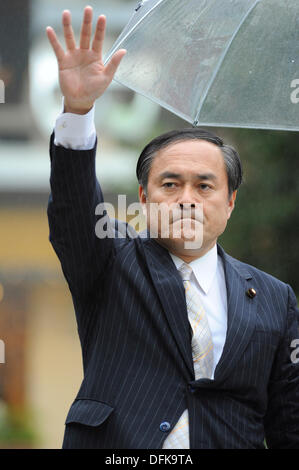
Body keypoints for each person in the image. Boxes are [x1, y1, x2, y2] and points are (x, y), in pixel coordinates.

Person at [46, 6, 299, 449]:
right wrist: (79, 110)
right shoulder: (110, 260)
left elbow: (290, 418)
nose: (187, 197)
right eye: (170, 184)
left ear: (231, 201)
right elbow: (73, 211)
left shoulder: (276, 298)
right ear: (143, 199)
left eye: (205, 185)